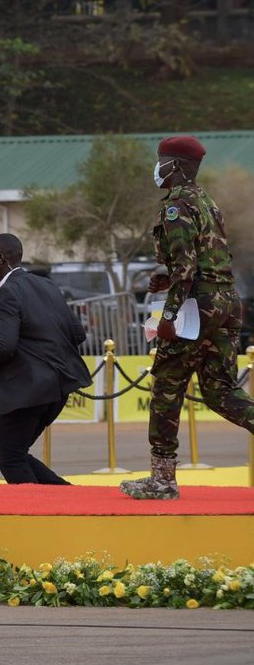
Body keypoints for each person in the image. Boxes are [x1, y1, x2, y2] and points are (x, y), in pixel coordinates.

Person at [120, 135, 254, 501]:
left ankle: (162, 480)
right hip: (227, 301)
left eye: (161, 160)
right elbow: (208, 259)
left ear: (175, 166)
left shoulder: (176, 206)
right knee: (221, 390)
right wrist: (169, 279)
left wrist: (169, 315)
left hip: (198, 309)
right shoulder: (207, 201)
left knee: (167, 386)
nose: (157, 167)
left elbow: (186, 265)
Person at [0, 233, 90, 485]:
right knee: (16, 453)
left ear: (1, 258)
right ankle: (69, 497)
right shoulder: (47, 285)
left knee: (9, 457)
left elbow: (4, 346)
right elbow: (78, 334)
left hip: (28, 391)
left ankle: (47, 507)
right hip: (58, 388)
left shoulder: (7, 291)